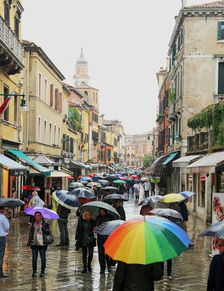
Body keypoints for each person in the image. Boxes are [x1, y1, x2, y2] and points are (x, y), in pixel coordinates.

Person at [27, 211, 51, 277]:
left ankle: (42, 271)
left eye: (38, 215)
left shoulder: (45, 224)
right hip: (34, 243)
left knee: (43, 258)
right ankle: (34, 271)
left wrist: (42, 228)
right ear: (34, 217)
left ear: (41, 216)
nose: (37, 217)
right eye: (36, 215)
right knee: (34, 258)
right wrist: (29, 242)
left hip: (42, 244)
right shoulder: (33, 224)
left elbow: (48, 232)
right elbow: (31, 234)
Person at [96, 208, 114, 274]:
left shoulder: (110, 217)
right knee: (101, 254)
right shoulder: (98, 218)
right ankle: (102, 268)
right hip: (100, 238)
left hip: (107, 238)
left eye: (103, 211)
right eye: (100, 211)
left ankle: (109, 266)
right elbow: (95, 226)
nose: (102, 212)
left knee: (107, 253)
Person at [0, 207, 10, 279]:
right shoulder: (3, 217)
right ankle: (0, 273)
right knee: (1, 255)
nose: (4, 210)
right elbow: (7, 227)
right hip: (1, 238)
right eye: (3, 209)